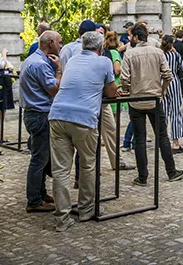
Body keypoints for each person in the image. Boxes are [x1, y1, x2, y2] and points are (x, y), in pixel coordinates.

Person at [48, 31, 119, 232]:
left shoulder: (70, 61)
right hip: (84, 118)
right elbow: (111, 91)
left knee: (61, 170)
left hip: (58, 114)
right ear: (100, 48)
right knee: (87, 164)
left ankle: (62, 218)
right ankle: (87, 209)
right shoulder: (104, 62)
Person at [59, 22, 132, 173]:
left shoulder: (67, 49)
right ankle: (88, 173)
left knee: (107, 130)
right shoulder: (86, 52)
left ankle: (95, 169)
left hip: (80, 99)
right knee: (89, 135)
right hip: (90, 100)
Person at [120, 24, 183, 186]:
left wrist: (129, 90)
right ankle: (171, 171)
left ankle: (143, 177)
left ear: (135, 37)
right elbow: (168, 75)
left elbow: (124, 79)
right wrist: (162, 91)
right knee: (162, 136)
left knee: (140, 139)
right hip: (155, 99)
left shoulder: (130, 53)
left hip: (136, 101)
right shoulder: (158, 52)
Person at [19, 30, 62, 213]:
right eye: (59, 42)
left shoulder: (33, 60)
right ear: (51, 43)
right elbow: (54, 89)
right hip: (40, 114)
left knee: (42, 157)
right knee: (39, 158)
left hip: (33, 114)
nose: (61, 46)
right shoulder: (40, 64)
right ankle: (34, 200)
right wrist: (59, 69)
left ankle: (40, 193)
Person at [160, 34, 183, 153]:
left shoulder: (159, 55)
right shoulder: (174, 55)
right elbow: (181, 66)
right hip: (173, 81)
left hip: (161, 83)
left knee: (164, 112)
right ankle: (175, 142)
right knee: (176, 111)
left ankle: (163, 140)